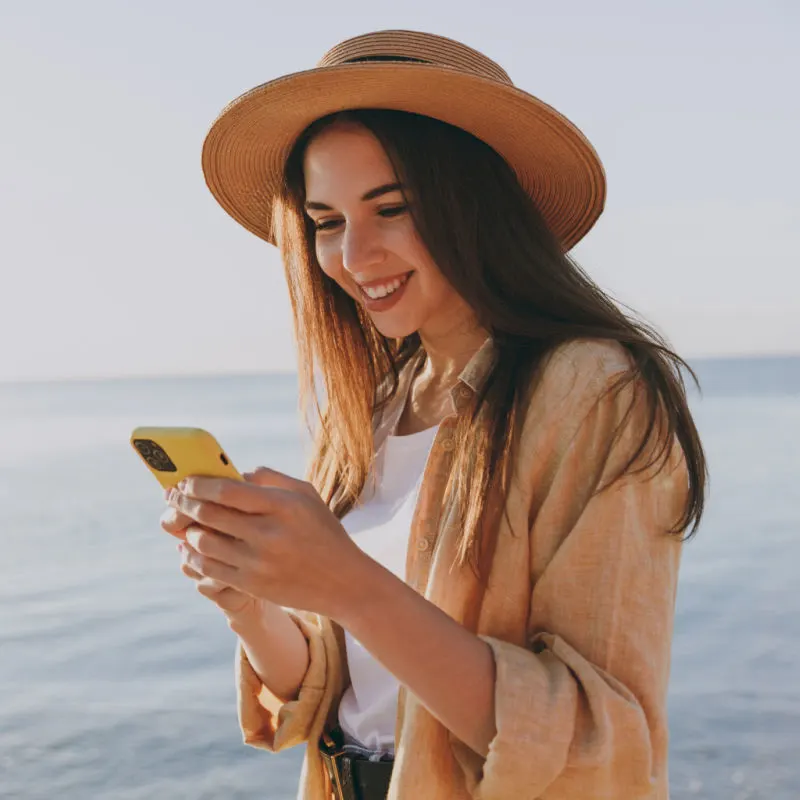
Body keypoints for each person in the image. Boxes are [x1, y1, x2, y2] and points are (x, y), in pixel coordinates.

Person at [160, 29, 707, 800]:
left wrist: (347, 582)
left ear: (473, 207)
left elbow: (601, 743)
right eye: (326, 222)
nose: (355, 256)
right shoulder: (379, 406)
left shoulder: (596, 391)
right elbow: (351, 697)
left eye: (393, 208)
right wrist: (249, 600)